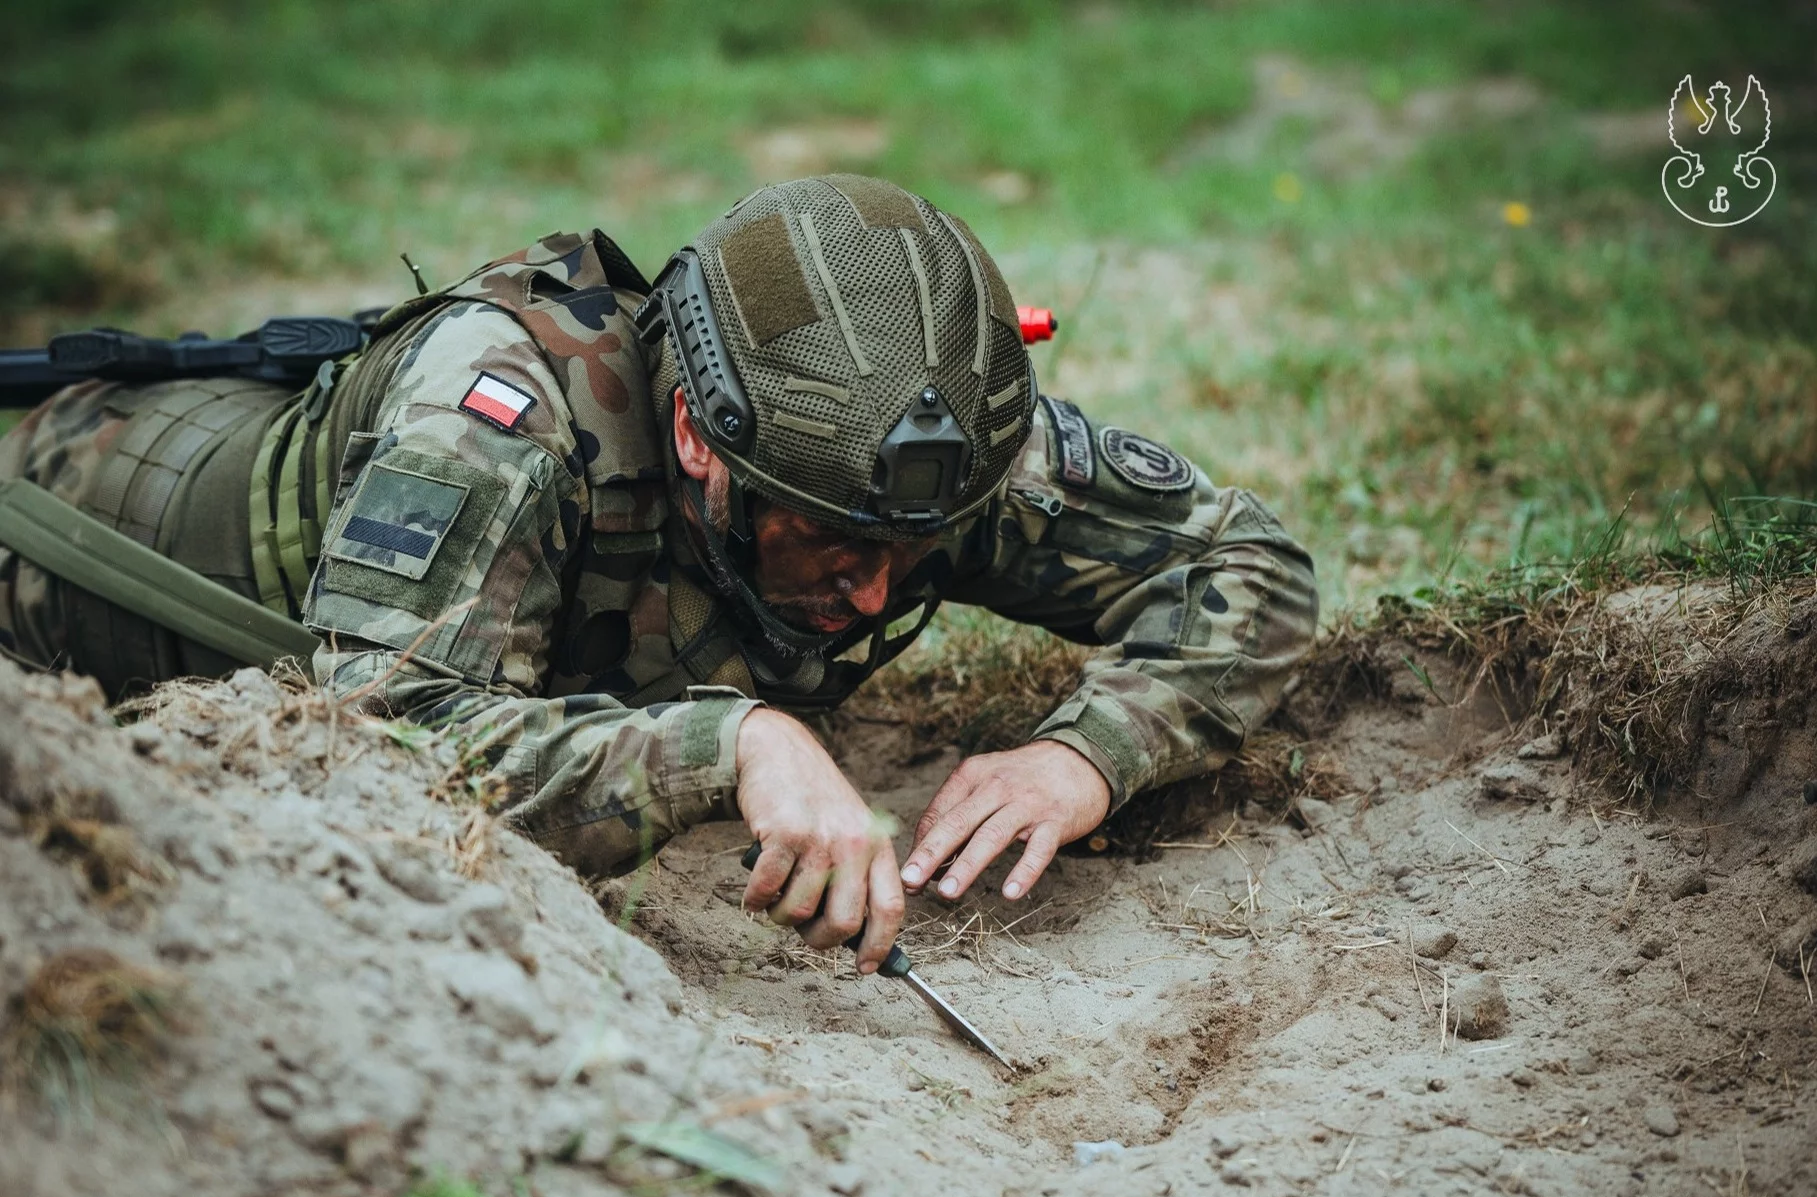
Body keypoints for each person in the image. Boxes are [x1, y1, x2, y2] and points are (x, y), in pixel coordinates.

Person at [0, 175, 1317, 972]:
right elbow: (371, 740)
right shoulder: (495, 421)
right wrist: (729, 742)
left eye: (907, 558)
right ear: (699, 437)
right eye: (833, 551)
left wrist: (1087, 753)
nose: (872, 593)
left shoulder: (902, 459)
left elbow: (1244, 565)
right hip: (78, 539)